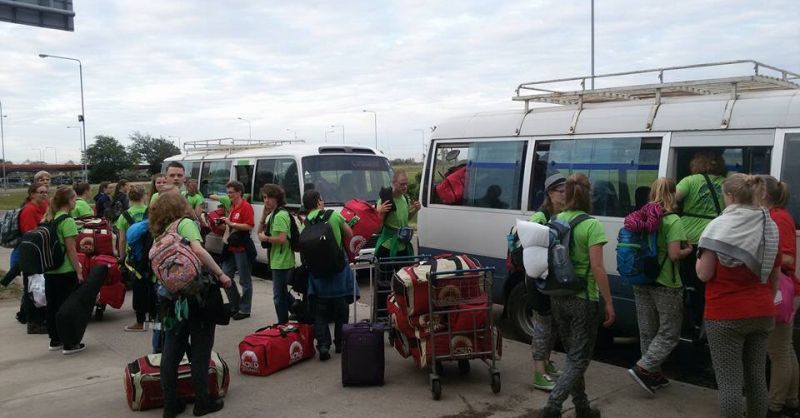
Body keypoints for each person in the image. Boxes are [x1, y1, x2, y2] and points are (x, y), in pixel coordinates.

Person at [696, 174, 779, 418]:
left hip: (725, 313)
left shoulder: (719, 226)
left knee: (730, 383)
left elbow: (704, 273)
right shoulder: (768, 225)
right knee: (756, 378)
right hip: (763, 311)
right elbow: (773, 274)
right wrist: (765, 301)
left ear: (730, 196)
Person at [149, 192, 232, 418]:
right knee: (200, 349)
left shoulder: (159, 233)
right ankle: (203, 402)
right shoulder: (185, 223)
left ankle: (170, 404)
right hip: (198, 295)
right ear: (181, 206)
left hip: (171, 299)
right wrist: (221, 275)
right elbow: (198, 250)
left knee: (171, 351)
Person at [539, 173, 615, 418]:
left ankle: (582, 407)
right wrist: (610, 302)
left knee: (574, 355)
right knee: (579, 358)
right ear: (588, 194)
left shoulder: (556, 219)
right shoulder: (591, 225)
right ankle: (553, 406)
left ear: (567, 194)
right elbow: (597, 267)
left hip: (558, 295)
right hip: (585, 299)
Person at [627, 178, 692, 394]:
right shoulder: (673, 220)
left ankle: (652, 375)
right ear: (673, 194)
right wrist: (688, 250)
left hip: (641, 280)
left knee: (648, 331)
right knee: (669, 333)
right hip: (666, 283)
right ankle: (644, 368)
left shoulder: (641, 216)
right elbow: (674, 255)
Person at [760, 175, 799, 418]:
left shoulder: (777, 218)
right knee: (786, 349)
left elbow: (787, 259)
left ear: (763, 194)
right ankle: (791, 401)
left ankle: (774, 406)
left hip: (781, 290)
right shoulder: (779, 216)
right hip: (787, 289)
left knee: (778, 352)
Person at [676, 150, 726, 339]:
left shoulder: (690, 181)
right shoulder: (725, 182)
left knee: (686, 281)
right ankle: (704, 323)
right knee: (705, 285)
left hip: (687, 237)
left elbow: (671, 200)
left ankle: (689, 323)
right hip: (714, 237)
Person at [301, 189, 355, 361]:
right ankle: (340, 343)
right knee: (341, 310)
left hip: (318, 276)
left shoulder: (306, 223)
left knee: (320, 313)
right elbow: (350, 234)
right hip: (338, 271)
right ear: (318, 202)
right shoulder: (333, 215)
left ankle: (323, 345)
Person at [528, 173, 566, 392]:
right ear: (550, 194)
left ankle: (547, 362)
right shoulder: (541, 216)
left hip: (551, 278)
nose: (565, 195)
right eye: (561, 191)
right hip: (537, 279)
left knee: (552, 325)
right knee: (542, 326)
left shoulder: (560, 214)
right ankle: (539, 373)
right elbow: (527, 234)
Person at [43, 186, 86, 354]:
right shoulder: (67, 221)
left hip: (50, 270)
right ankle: (70, 342)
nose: (76, 202)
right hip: (65, 270)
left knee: (53, 306)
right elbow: (71, 250)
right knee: (68, 308)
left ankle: (55, 339)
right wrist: (79, 271)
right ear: (68, 201)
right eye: (74, 199)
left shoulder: (50, 218)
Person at [257, 184, 297, 324]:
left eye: (269, 197)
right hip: (277, 260)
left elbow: (281, 238)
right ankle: (299, 311)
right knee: (282, 293)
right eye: (264, 198)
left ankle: (282, 324)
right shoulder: (274, 215)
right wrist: (263, 216)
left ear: (277, 198)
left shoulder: (280, 216)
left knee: (278, 296)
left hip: (282, 261)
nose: (266, 201)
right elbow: (259, 233)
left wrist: (266, 238)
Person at [116, 185, 151, 332]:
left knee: (138, 287)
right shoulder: (150, 213)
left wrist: (122, 257)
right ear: (145, 196)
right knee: (152, 284)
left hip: (135, 257)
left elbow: (122, 239)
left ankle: (140, 321)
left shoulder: (124, 216)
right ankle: (154, 317)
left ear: (129, 198)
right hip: (150, 253)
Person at [220, 180, 255, 320]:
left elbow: (249, 225)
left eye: (231, 192)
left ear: (239, 192)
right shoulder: (233, 206)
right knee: (225, 275)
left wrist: (231, 223)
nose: (229, 195)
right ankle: (236, 304)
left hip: (242, 247)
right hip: (231, 247)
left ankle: (245, 309)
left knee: (245, 280)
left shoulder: (245, 207)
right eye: (228, 193)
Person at [18, 183, 50, 334]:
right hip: (32, 255)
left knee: (38, 288)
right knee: (33, 289)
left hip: (40, 254)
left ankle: (31, 317)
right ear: (32, 194)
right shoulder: (29, 210)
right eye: (40, 192)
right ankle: (33, 323)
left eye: (46, 192)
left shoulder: (43, 206)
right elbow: (29, 234)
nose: (44, 194)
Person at [375, 169, 421, 257]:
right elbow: (377, 229)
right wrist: (380, 212)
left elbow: (404, 219)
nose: (405, 187)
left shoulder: (405, 199)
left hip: (403, 246)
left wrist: (415, 210)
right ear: (393, 183)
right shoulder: (385, 201)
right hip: (387, 247)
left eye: (406, 184)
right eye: (402, 184)